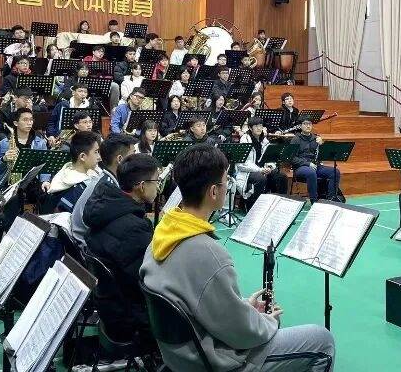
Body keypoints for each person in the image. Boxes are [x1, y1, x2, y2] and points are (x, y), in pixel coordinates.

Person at [140, 144, 335, 371]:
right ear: (214, 192)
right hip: (208, 360)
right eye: (226, 181)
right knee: (322, 340)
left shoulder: (162, 233)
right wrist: (268, 321)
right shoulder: (208, 253)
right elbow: (242, 333)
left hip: (177, 354)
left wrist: (242, 306)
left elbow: (198, 301)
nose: (228, 186)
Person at [84, 154, 159, 346]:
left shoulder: (105, 207)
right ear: (141, 186)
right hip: (128, 319)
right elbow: (150, 281)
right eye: (156, 181)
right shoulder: (133, 228)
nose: (158, 187)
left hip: (109, 306)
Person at [70, 135, 134, 249]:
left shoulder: (106, 179)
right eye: (133, 154)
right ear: (120, 159)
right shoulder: (107, 188)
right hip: (83, 246)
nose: (136, 159)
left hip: (85, 237)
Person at [237, 117, 289, 211]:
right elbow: (243, 164)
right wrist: (260, 170)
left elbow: (270, 158)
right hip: (248, 171)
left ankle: (278, 207)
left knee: (282, 177)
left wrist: (269, 167)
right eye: (256, 126)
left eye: (260, 126)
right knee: (260, 178)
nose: (259, 128)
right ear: (250, 128)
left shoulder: (264, 140)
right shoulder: (245, 139)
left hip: (263, 169)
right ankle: (253, 208)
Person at [46, 131, 102, 213]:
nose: (99, 157)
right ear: (82, 157)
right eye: (96, 152)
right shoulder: (74, 190)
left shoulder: (95, 172)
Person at [0, 108, 48, 188]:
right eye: (25, 120)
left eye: (31, 120)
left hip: (31, 184)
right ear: (16, 123)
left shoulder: (40, 143)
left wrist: (45, 181)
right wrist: (4, 159)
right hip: (7, 184)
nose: (29, 123)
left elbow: (45, 166)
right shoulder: (4, 143)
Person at [289, 119, 340, 204]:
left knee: (335, 172)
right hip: (300, 167)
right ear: (300, 126)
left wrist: (321, 144)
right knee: (311, 172)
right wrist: (307, 163)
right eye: (305, 124)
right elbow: (292, 158)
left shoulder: (316, 138)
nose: (308, 126)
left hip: (315, 165)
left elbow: (324, 155)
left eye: (310, 124)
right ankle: (314, 201)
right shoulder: (296, 139)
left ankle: (331, 199)